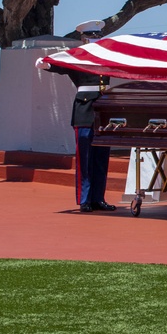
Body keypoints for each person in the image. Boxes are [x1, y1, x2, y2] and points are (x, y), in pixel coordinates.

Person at [36, 20, 117, 213]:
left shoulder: (106, 56)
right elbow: (60, 65)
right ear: (83, 38)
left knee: (101, 158)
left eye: (98, 35)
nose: (95, 39)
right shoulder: (76, 57)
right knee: (85, 158)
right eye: (91, 36)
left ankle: (98, 198)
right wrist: (47, 65)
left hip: (103, 110)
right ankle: (85, 199)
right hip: (84, 110)